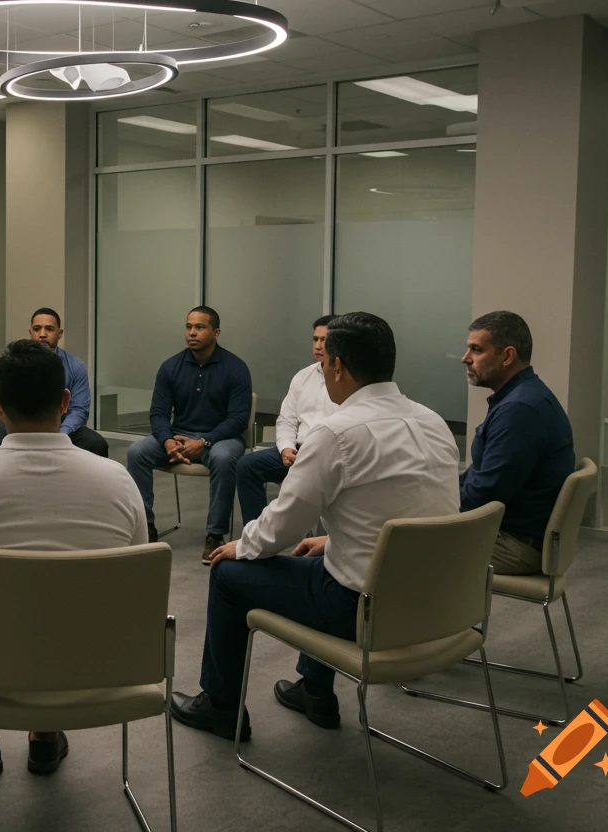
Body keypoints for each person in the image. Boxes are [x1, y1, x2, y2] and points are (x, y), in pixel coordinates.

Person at [170, 312, 458, 740]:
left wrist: (241, 546)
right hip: (438, 605)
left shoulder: (337, 433)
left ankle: (221, 706)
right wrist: (331, 538)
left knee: (228, 573)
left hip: (366, 610)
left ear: (337, 367)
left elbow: (283, 526)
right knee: (323, 559)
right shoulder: (433, 423)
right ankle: (315, 690)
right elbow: (408, 510)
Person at [0, 339, 147, 776]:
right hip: (96, 662)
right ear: (64, 402)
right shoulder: (118, 480)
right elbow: (135, 572)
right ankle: (46, 735)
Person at [125, 306, 253, 562]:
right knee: (137, 452)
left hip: (220, 439)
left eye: (200, 327)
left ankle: (215, 534)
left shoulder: (236, 368)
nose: (192, 332)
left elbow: (238, 419)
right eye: (189, 327)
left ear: (216, 333)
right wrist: (167, 440)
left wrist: (204, 442)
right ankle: (146, 527)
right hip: (179, 437)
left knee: (224, 458)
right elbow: (158, 413)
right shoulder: (170, 367)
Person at [460, 311, 575, 575]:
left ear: (507, 356)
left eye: (476, 350)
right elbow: (482, 474)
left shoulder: (519, 410)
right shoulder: (522, 396)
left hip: (515, 545)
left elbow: (485, 496)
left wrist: (435, 500)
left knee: (401, 544)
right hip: (517, 534)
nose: (465, 358)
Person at [235, 316, 337, 526]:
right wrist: (286, 448)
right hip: (297, 450)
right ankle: (256, 533)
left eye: (324, 340)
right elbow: (286, 420)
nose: (318, 346)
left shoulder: (347, 379)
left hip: (327, 454)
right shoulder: (303, 377)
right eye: (315, 339)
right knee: (247, 466)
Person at [0, 308, 108, 457]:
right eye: (37, 329)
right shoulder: (16, 364)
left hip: (62, 424)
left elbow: (79, 409)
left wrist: (60, 434)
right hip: (22, 423)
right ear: (30, 333)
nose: (42, 334)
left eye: (49, 329)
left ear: (59, 333)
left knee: (96, 444)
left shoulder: (75, 366)